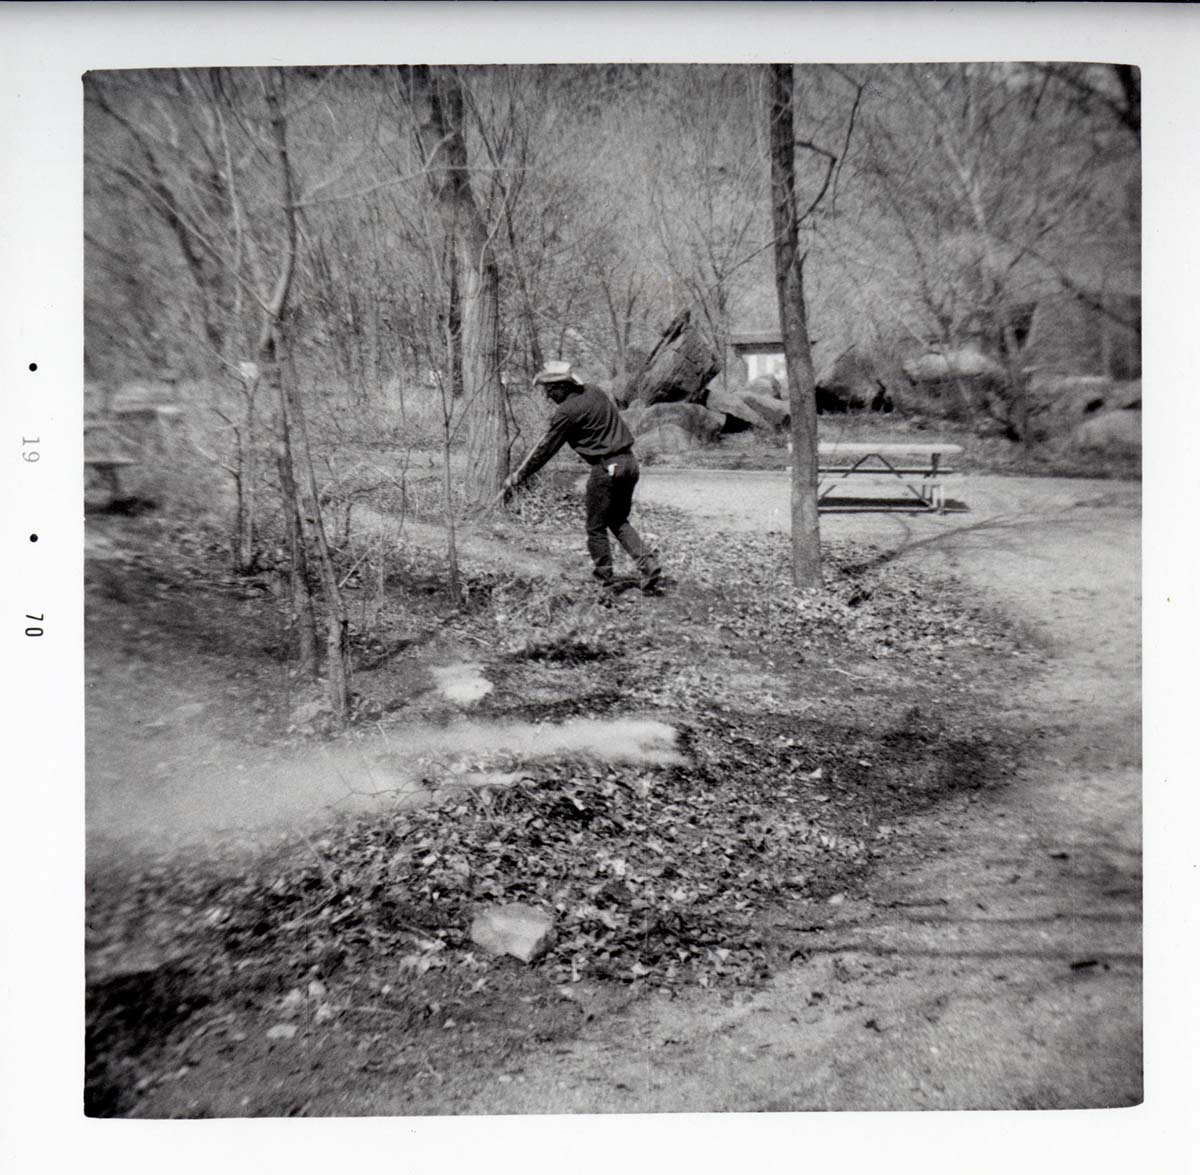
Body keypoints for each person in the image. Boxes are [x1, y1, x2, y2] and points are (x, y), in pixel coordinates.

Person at [502, 361, 662, 595]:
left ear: (564, 387)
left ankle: (604, 579)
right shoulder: (594, 391)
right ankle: (648, 563)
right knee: (617, 520)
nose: (548, 396)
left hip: (606, 468)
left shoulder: (567, 412)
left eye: (551, 390)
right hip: (630, 464)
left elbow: (545, 450)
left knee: (595, 526)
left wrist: (519, 476)